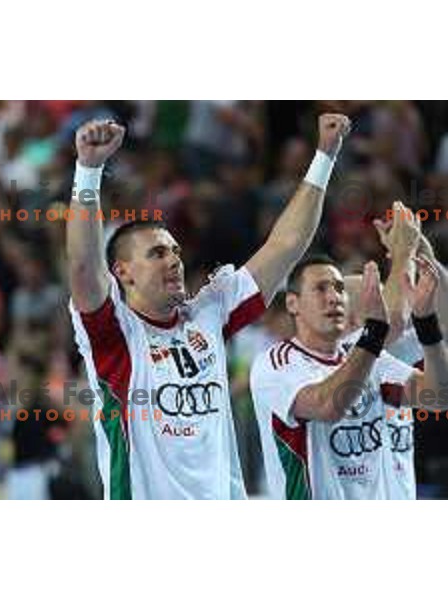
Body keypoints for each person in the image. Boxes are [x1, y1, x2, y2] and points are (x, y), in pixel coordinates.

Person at [67, 115, 350, 499]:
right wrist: (89, 170)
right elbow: (84, 265)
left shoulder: (210, 313)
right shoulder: (114, 332)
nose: (173, 260)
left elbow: (285, 246)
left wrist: (325, 156)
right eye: (157, 253)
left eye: (175, 252)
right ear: (123, 272)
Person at [250, 234, 448, 499]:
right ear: (292, 303)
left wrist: (426, 323)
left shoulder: (367, 351)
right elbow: (328, 405)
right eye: (321, 288)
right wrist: (374, 333)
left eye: (339, 289)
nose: (333, 297)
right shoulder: (276, 363)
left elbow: (438, 397)